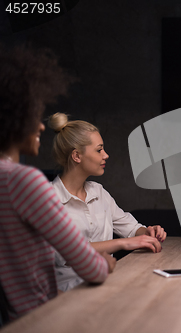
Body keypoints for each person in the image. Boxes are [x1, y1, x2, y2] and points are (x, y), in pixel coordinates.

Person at [0, 44, 114, 323]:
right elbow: (91, 268)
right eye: (32, 115)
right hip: (43, 318)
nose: (40, 126)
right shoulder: (23, 181)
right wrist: (106, 262)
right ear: (13, 118)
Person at [46, 113, 167, 291]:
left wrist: (147, 232)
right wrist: (121, 243)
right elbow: (64, 252)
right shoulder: (48, 198)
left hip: (106, 282)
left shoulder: (98, 192)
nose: (106, 155)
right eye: (99, 150)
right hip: (68, 292)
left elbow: (131, 229)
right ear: (77, 156)